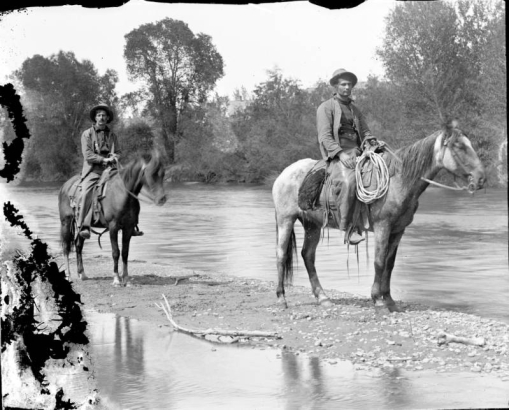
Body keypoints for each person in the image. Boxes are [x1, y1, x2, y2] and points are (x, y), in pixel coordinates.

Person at [316, 68, 376, 245]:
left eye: (349, 84)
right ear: (335, 86)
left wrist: (372, 142)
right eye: (343, 84)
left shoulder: (354, 109)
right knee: (348, 182)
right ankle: (348, 228)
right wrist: (340, 154)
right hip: (338, 155)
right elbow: (324, 136)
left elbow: (365, 132)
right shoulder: (325, 107)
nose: (347, 87)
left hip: (358, 152)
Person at [76, 104, 143, 239]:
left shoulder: (112, 135)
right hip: (93, 171)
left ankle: (132, 224)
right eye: (99, 115)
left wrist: (115, 157)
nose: (101, 118)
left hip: (111, 170)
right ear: (95, 118)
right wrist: (103, 160)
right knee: (86, 192)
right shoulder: (87, 134)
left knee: (130, 189)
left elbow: (118, 152)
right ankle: (83, 225)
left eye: (104, 115)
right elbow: (87, 155)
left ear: (107, 118)